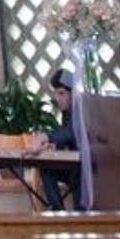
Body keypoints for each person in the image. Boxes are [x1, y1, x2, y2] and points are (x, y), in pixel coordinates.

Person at [38, 69, 83, 211]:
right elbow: (64, 139)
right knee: (47, 169)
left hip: (87, 171)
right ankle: (57, 213)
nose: (57, 98)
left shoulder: (81, 110)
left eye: (62, 93)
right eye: (56, 93)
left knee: (79, 177)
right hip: (75, 167)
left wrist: (46, 137)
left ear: (73, 94)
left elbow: (70, 132)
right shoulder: (66, 113)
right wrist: (48, 146)